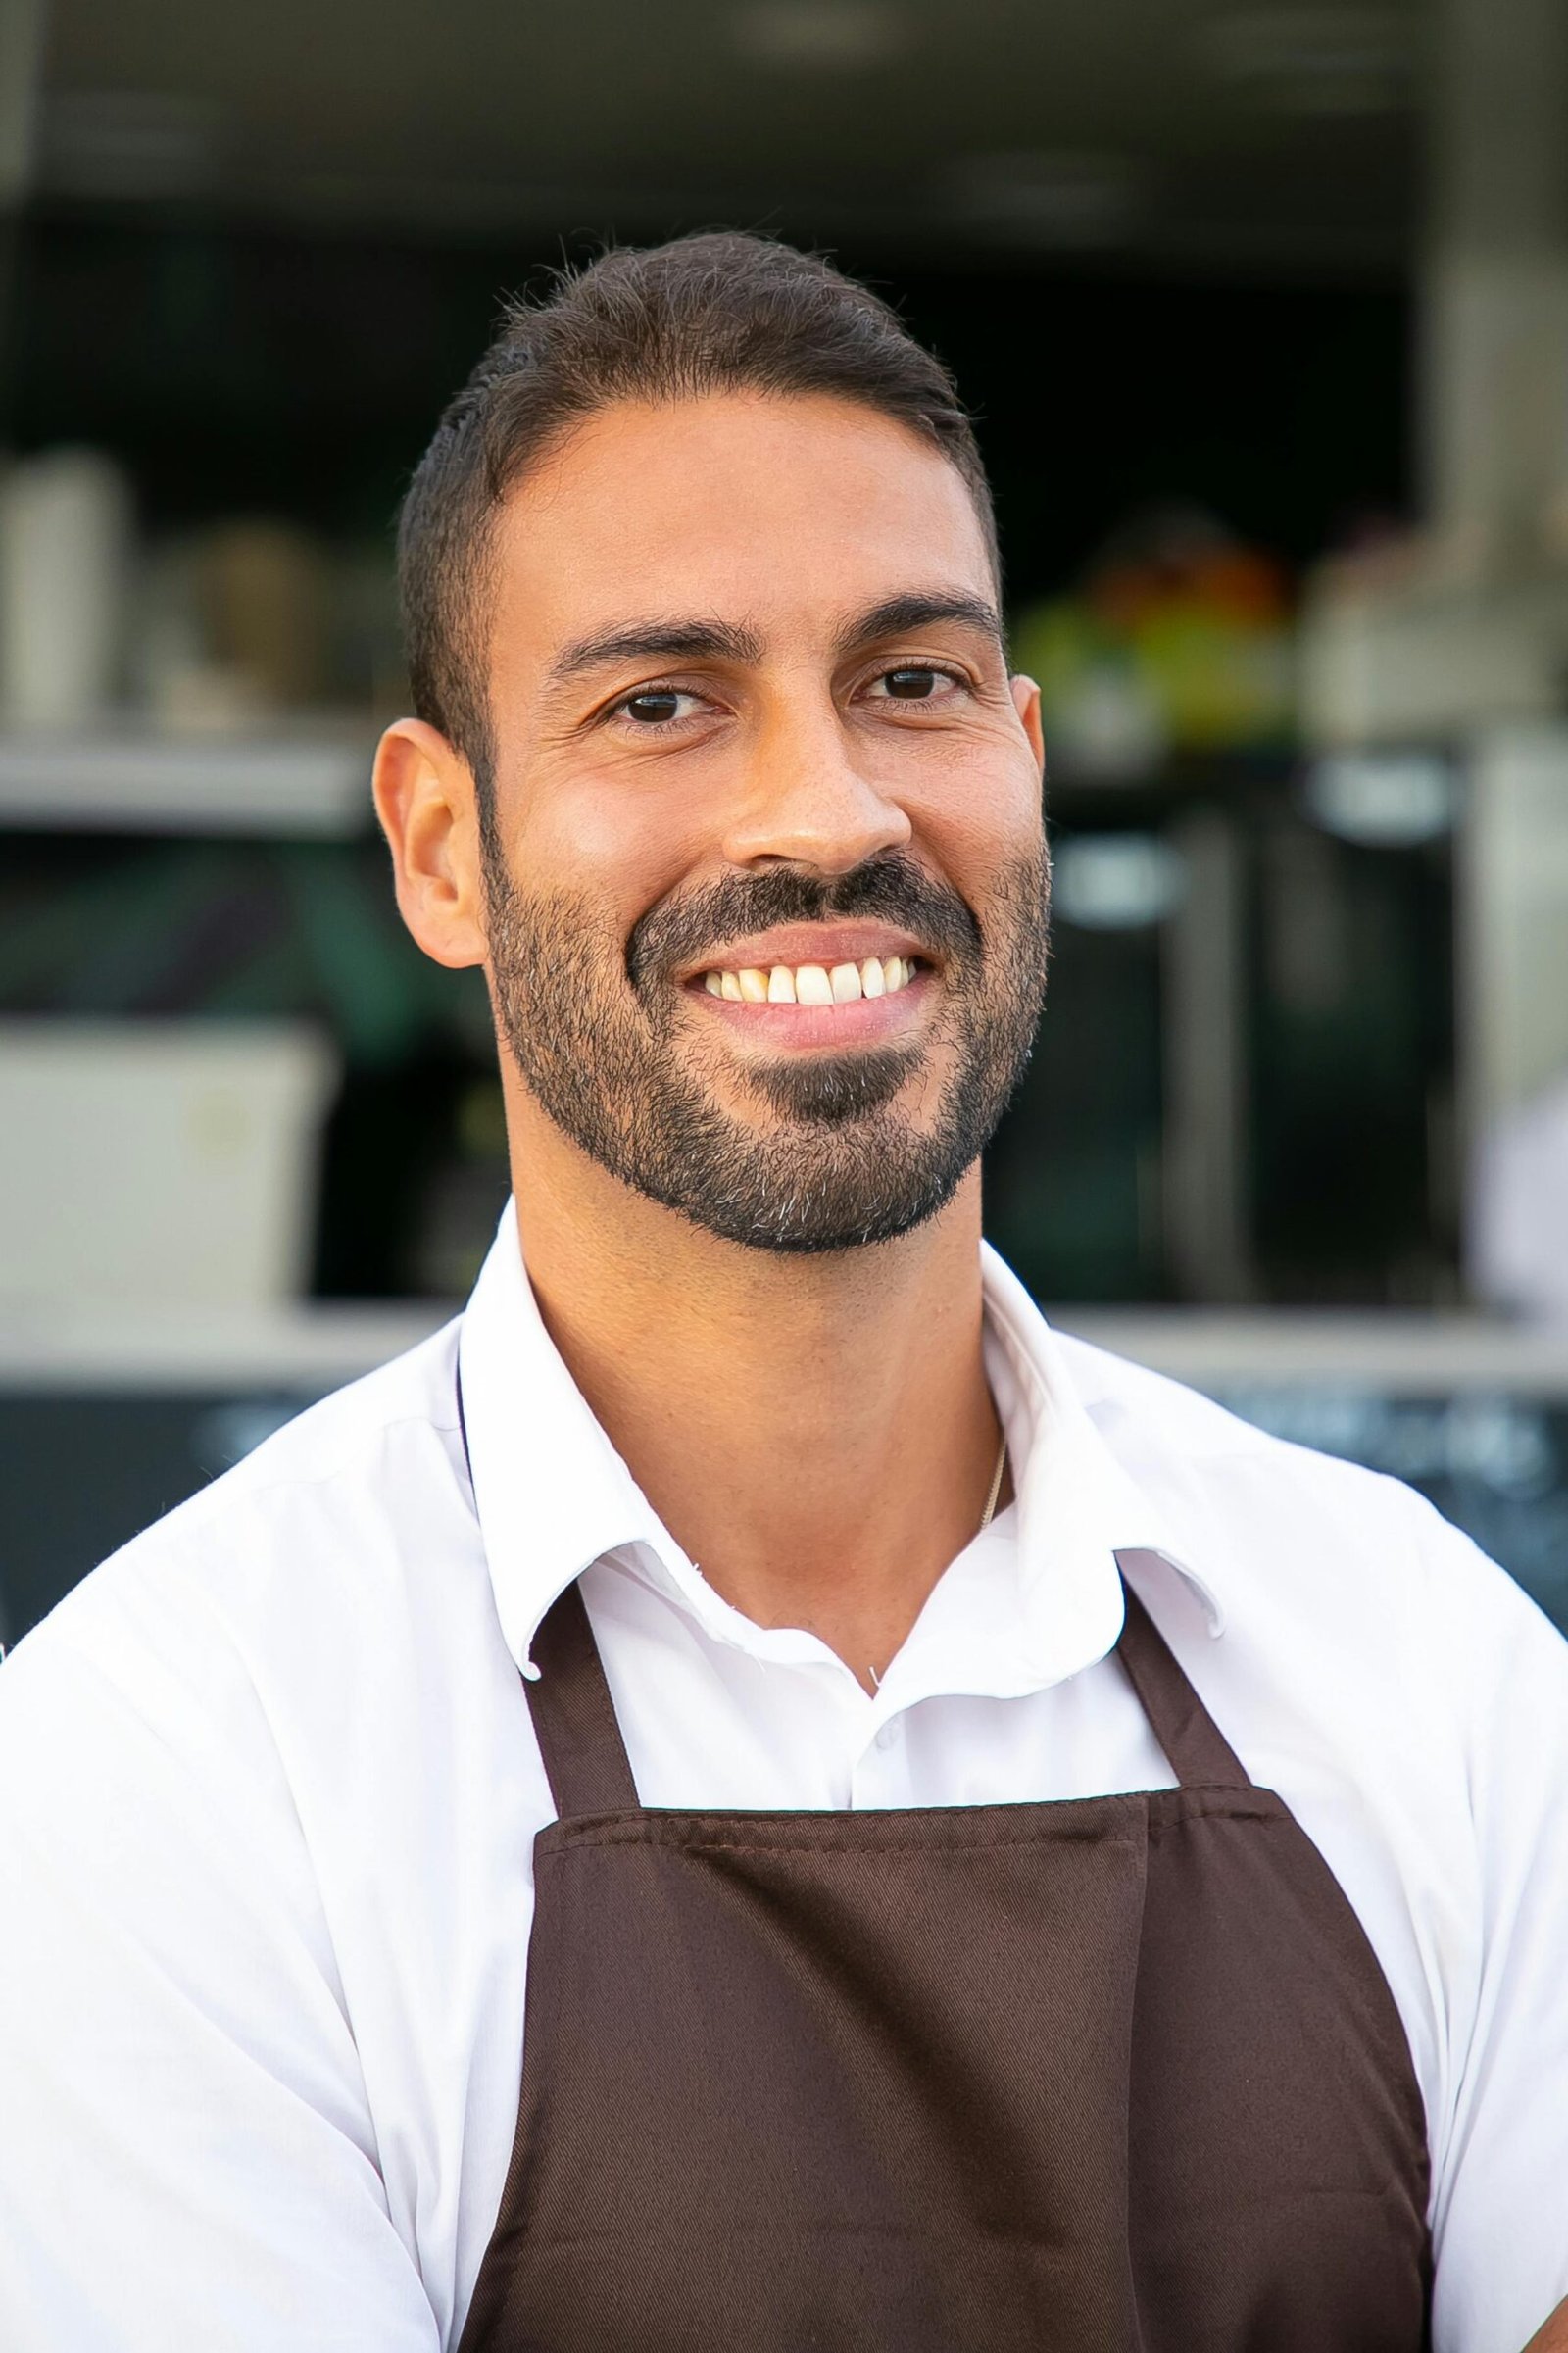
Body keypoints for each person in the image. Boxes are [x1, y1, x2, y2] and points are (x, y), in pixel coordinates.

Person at [0, 233, 1565, 2353]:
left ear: (1016, 753)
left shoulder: (1432, 1675)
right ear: (440, 848)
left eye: (909, 681)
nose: (825, 810)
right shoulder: (172, 1772)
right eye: (662, 702)